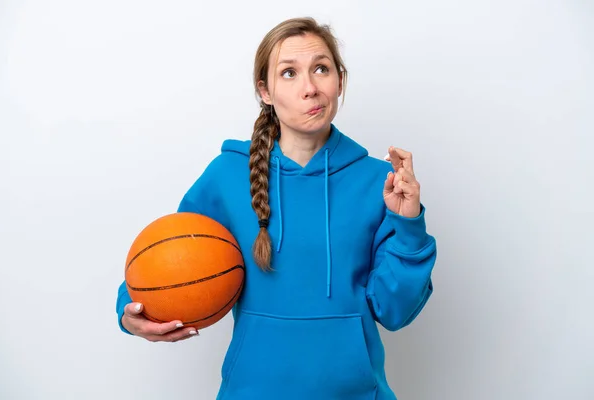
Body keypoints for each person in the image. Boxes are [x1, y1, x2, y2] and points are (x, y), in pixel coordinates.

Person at [115, 16, 437, 400]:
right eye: (289, 73)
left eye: (321, 69)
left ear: (340, 81)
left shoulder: (379, 183)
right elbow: (170, 258)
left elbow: (395, 311)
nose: (310, 88)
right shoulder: (227, 175)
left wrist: (408, 223)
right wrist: (130, 309)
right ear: (265, 91)